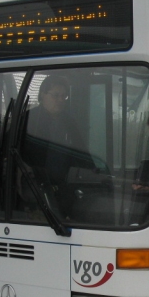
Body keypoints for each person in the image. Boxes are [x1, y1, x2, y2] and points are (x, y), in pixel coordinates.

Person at [20, 75, 91, 216]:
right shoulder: (27, 119)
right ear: (42, 95)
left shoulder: (69, 122)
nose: (60, 100)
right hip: (35, 190)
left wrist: (92, 172)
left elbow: (81, 152)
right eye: (56, 95)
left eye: (63, 97)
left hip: (65, 188)